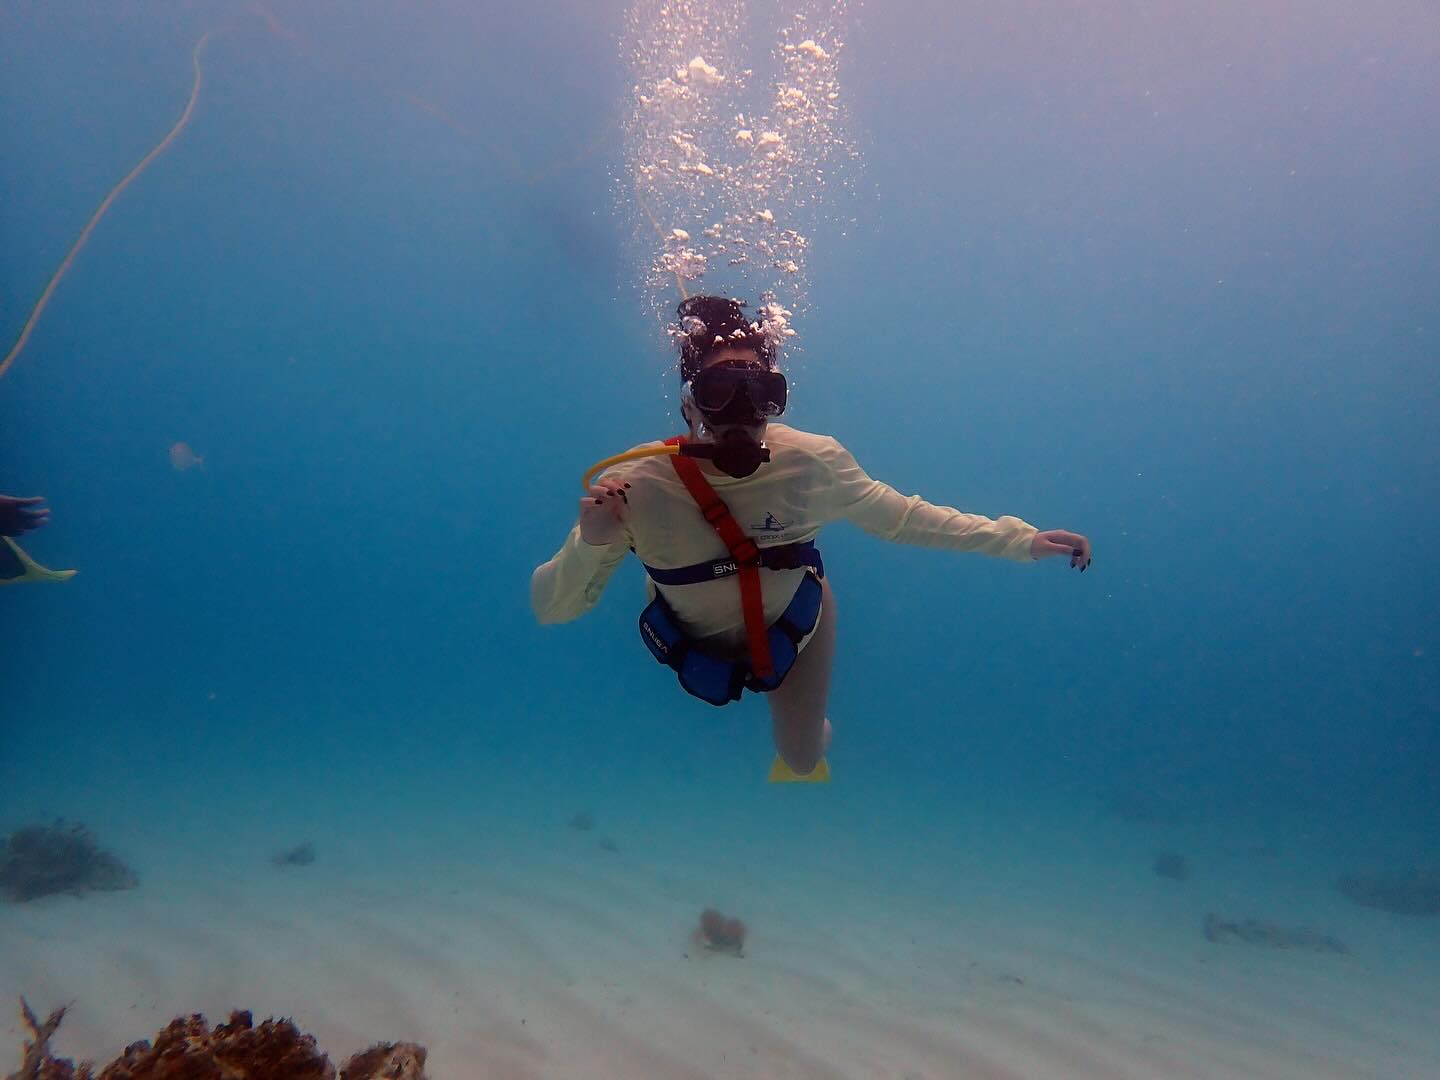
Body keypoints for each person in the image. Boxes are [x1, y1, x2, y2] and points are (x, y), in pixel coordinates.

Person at [530, 296, 1091, 781]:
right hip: (691, 639)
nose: (741, 413)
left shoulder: (813, 462)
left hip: (794, 624)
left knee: (800, 761)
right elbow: (550, 609)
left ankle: (813, 730)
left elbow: (904, 518)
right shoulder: (639, 484)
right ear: (689, 403)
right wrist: (595, 541)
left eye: (761, 392)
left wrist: (1022, 540)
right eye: (719, 390)